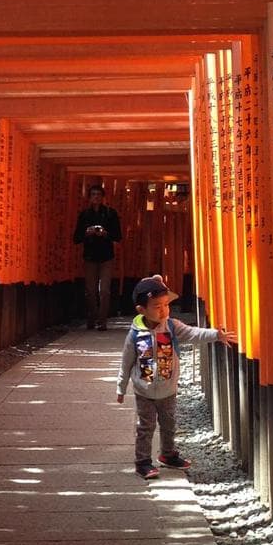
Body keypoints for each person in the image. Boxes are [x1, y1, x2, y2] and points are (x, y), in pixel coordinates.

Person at [117, 274, 237, 480]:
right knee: (145, 427)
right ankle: (143, 461)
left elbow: (193, 333)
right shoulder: (135, 334)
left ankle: (168, 453)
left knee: (169, 423)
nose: (163, 310)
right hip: (144, 390)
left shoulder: (171, 326)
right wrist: (121, 387)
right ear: (141, 310)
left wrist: (216, 335)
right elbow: (126, 361)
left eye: (166, 305)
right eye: (157, 306)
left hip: (168, 388)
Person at [72, 181, 122, 330]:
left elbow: (118, 236)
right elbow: (76, 238)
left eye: (98, 195)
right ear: (89, 197)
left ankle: (102, 320)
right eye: (93, 195)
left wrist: (106, 233)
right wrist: (87, 232)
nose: (96, 197)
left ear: (103, 197)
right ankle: (92, 317)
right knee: (90, 291)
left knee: (104, 290)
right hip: (90, 256)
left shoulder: (110, 214)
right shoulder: (84, 215)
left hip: (106, 256)